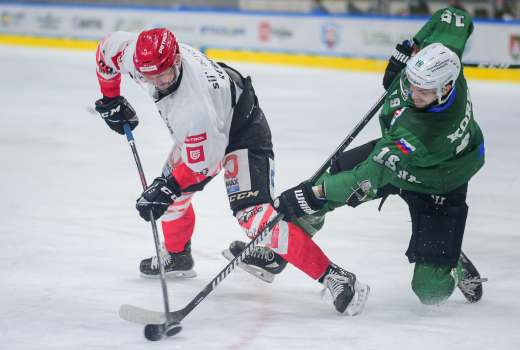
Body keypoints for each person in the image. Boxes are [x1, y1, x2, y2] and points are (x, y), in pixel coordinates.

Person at [93, 28, 369, 315]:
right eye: (149, 76)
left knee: (254, 217)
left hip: (241, 129)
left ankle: (337, 276)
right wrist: (110, 99)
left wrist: (167, 186)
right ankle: (177, 257)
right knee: (171, 200)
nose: (158, 82)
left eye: (163, 74)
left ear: (176, 59)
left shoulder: (194, 107)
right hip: (211, 120)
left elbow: (204, 164)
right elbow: (105, 54)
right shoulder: (133, 54)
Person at [228, 7, 488, 305]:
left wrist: (312, 194)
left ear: (446, 87)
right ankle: (276, 255)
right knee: (327, 185)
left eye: (424, 91)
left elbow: (367, 176)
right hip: (395, 155)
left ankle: (452, 260)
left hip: (439, 180)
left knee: (430, 292)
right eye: (412, 83)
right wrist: (412, 46)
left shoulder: (422, 134)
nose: (414, 94)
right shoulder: (442, 59)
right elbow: (454, 17)